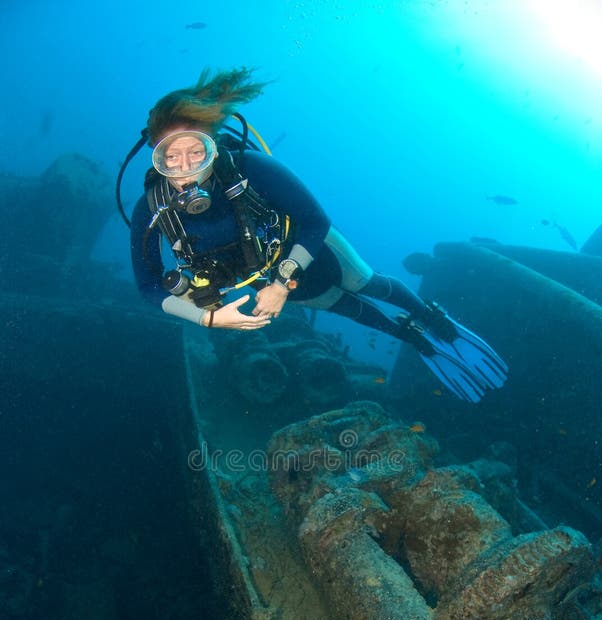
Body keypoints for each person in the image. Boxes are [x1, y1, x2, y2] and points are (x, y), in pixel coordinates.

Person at [124, 67, 507, 402]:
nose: (185, 168)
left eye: (197, 151)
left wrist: (280, 284)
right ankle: (417, 341)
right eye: (170, 157)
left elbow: (314, 221)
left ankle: (431, 318)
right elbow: (149, 287)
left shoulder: (250, 168)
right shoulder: (151, 209)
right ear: (156, 156)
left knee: (364, 283)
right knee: (349, 310)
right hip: (267, 277)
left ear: (214, 144)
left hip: (308, 250)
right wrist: (206, 319)